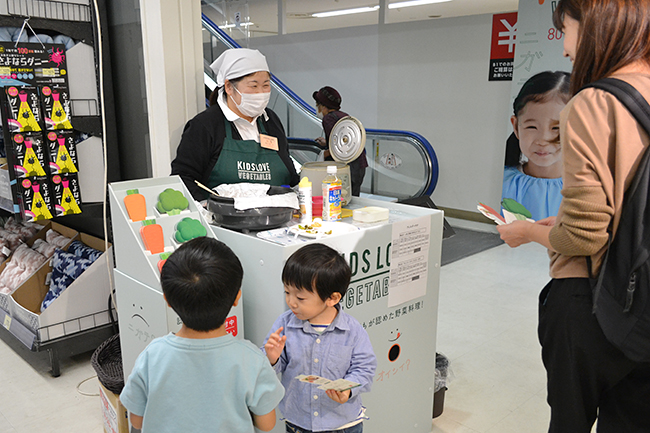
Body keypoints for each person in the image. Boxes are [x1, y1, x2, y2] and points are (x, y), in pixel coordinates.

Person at [497, 1, 650, 431]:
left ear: (599, 25)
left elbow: (584, 238)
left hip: (591, 300)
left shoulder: (593, 102)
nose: (566, 48)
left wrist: (526, 231)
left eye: (567, 29)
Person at [120, 237, 284, 432]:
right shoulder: (252, 359)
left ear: (168, 300)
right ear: (236, 298)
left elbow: (137, 421)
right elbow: (267, 424)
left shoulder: (152, 355)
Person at [262, 243, 376, 432]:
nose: (291, 302)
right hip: (298, 421)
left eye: (301, 298)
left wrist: (348, 390)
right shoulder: (285, 324)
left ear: (332, 298)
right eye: (287, 293)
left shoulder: (352, 330)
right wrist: (271, 358)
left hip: (343, 424)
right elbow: (269, 366)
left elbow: (365, 367)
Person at [171, 48, 299, 201]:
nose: (261, 93)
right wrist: (206, 208)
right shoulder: (205, 125)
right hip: (223, 222)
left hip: (278, 218)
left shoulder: (271, 120)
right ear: (229, 87)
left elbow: (289, 173)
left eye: (266, 85)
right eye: (253, 85)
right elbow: (183, 178)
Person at [502, 70, 571, 221]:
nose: (543, 139)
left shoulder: (589, 189)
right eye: (532, 127)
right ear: (516, 127)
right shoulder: (501, 182)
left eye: (556, 128)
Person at [313, 86, 368, 196]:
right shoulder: (344, 116)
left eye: (318, 105)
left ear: (323, 106)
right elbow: (344, 141)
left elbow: (339, 149)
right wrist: (327, 143)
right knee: (353, 198)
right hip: (360, 164)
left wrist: (323, 154)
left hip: (348, 168)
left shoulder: (328, 119)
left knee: (342, 199)